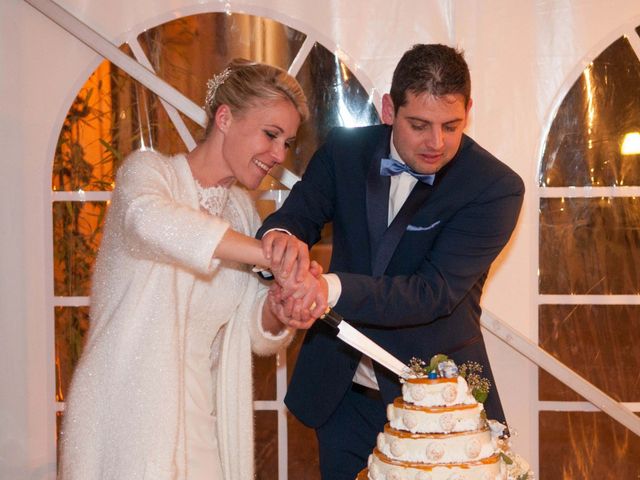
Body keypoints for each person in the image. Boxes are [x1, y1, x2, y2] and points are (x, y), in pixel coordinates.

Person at [258, 44, 525, 480]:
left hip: (436, 409)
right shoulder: (344, 151)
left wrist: (328, 288)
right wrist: (282, 242)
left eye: (451, 126)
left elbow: (431, 293)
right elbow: (297, 216)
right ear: (388, 109)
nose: (436, 142)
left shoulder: (494, 187)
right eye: (419, 125)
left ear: (469, 111)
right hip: (341, 395)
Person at [59, 59, 325, 480]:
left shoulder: (242, 215)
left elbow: (253, 329)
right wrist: (270, 255)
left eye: (287, 142)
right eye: (270, 134)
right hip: (124, 419)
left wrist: (281, 305)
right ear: (225, 117)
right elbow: (152, 222)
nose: (278, 154)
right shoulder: (149, 176)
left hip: (203, 426)